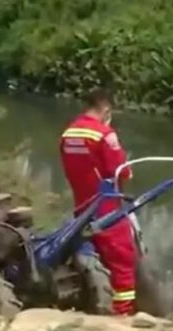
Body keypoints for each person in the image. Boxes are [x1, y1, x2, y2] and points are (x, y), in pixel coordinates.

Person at [59, 87, 137, 315]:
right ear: (106, 108)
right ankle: (123, 312)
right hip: (107, 207)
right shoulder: (104, 133)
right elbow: (123, 173)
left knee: (90, 251)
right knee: (123, 259)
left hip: (82, 206)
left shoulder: (68, 133)